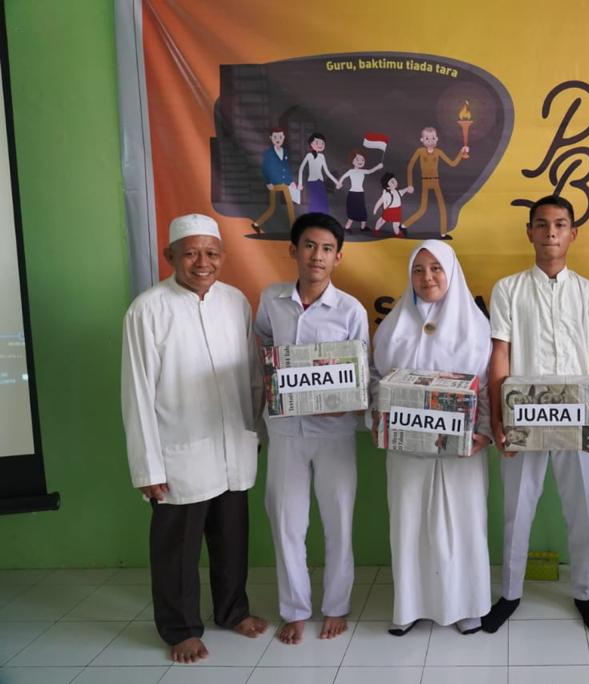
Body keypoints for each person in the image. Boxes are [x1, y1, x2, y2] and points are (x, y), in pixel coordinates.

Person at [121, 213, 267, 663]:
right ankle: (180, 628)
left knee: (231, 539)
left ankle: (232, 610)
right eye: (191, 254)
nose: (202, 263)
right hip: (178, 453)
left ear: (222, 256)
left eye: (211, 253)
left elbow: (253, 373)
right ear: (171, 256)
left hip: (232, 444)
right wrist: (147, 466)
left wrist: (256, 431)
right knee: (176, 551)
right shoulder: (147, 309)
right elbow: (136, 393)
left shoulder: (235, 302)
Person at [483, 195, 589, 635]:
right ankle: (510, 594)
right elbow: (500, 355)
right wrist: (499, 419)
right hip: (523, 418)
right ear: (530, 232)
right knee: (516, 509)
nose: (551, 232)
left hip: (578, 418)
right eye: (542, 224)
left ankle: (584, 593)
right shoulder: (508, 289)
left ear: (573, 233)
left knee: (581, 510)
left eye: (560, 224)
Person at [254, 212, 369, 644]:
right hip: (285, 431)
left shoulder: (350, 310)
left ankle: (336, 606)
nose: (316, 256)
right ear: (293, 250)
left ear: (338, 257)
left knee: (338, 521)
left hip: (334, 434)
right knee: (287, 522)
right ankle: (295, 609)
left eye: (326, 249)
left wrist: (343, 402)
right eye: (309, 246)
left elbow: (361, 373)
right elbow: (263, 350)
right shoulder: (271, 300)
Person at [370, 240, 493, 636]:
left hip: (462, 450)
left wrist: (485, 431)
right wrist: (377, 418)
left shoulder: (475, 326)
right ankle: (410, 607)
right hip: (407, 450)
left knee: (463, 524)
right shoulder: (393, 327)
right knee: (409, 524)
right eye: (419, 270)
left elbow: (488, 384)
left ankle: (467, 606)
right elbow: (376, 381)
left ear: (451, 272)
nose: (427, 278)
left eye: (436, 268)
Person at [404, 126, 468, 238]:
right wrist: (410, 184)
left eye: (433, 138)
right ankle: (404, 225)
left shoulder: (438, 152)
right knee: (423, 208)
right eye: (427, 138)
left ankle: (443, 233)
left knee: (442, 207)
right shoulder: (420, 151)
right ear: (422, 140)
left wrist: (460, 153)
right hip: (425, 182)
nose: (430, 141)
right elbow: (410, 167)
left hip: (435, 181)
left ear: (437, 139)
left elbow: (452, 163)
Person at [252, 127, 295, 233]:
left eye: (280, 137)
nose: (278, 139)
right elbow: (264, 168)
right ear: (271, 138)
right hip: (274, 184)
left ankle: (294, 228)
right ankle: (256, 224)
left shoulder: (285, 152)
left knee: (290, 206)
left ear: (284, 137)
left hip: (284, 183)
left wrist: (291, 181)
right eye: (275, 137)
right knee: (272, 208)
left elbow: (286, 167)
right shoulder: (268, 153)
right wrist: (268, 182)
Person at [337, 149, 383, 231]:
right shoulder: (351, 171)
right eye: (357, 159)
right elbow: (343, 177)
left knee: (362, 211)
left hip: (360, 194)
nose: (360, 161)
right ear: (352, 161)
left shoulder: (363, 171)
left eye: (362, 160)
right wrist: (339, 183)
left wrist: (378, 167)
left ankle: (363, 227)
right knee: (352, 211)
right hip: (352, 194)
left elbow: (370, 171)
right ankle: (347, 227)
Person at [297, 132, 340, 215]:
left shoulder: (322, 156)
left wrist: (336, 182)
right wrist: (300, 183)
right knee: (314, 200)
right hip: (312, 181)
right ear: (311, 144)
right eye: (317, 142)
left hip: (320, 181)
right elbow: (301, 168)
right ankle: (313, 217)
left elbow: (327, 171)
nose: (320, 145)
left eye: (322, 143)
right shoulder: (309, 155)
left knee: (323, 199)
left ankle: (323, 217)